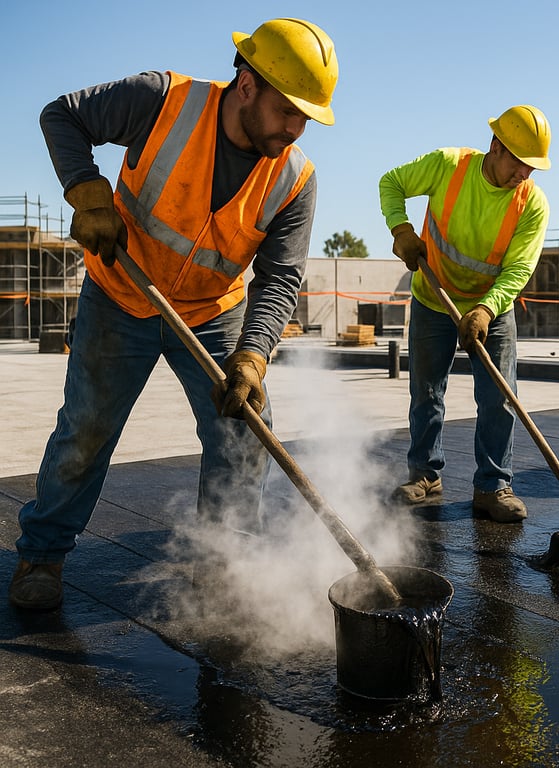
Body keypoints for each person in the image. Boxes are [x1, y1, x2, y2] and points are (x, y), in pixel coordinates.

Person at [9, 18, 339, 612]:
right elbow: (61, 115)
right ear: (247, 84)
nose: (297, 129)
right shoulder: (162, 100)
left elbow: (281, 276)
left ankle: (226, 565)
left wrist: (254, 354)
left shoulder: (295, 178)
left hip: (213, 312)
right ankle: (42, 556)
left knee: (243, 432)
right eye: (289, 110)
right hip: (121, 294)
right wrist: (86, 190)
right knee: (85, 431)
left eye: (306, 118)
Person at [379, 105, 551, 523]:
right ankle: (425, 474)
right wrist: (401, 229)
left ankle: (493, 486)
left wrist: (487, 309)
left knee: (499, 398)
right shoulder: (448, 166)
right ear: (496, 146)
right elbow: (392, 182)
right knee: (427, 393)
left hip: (491, 308)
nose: (522, 175)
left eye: (531, 168)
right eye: (518, 163)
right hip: (432, 299)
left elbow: (518, 269)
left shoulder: (532, 204)